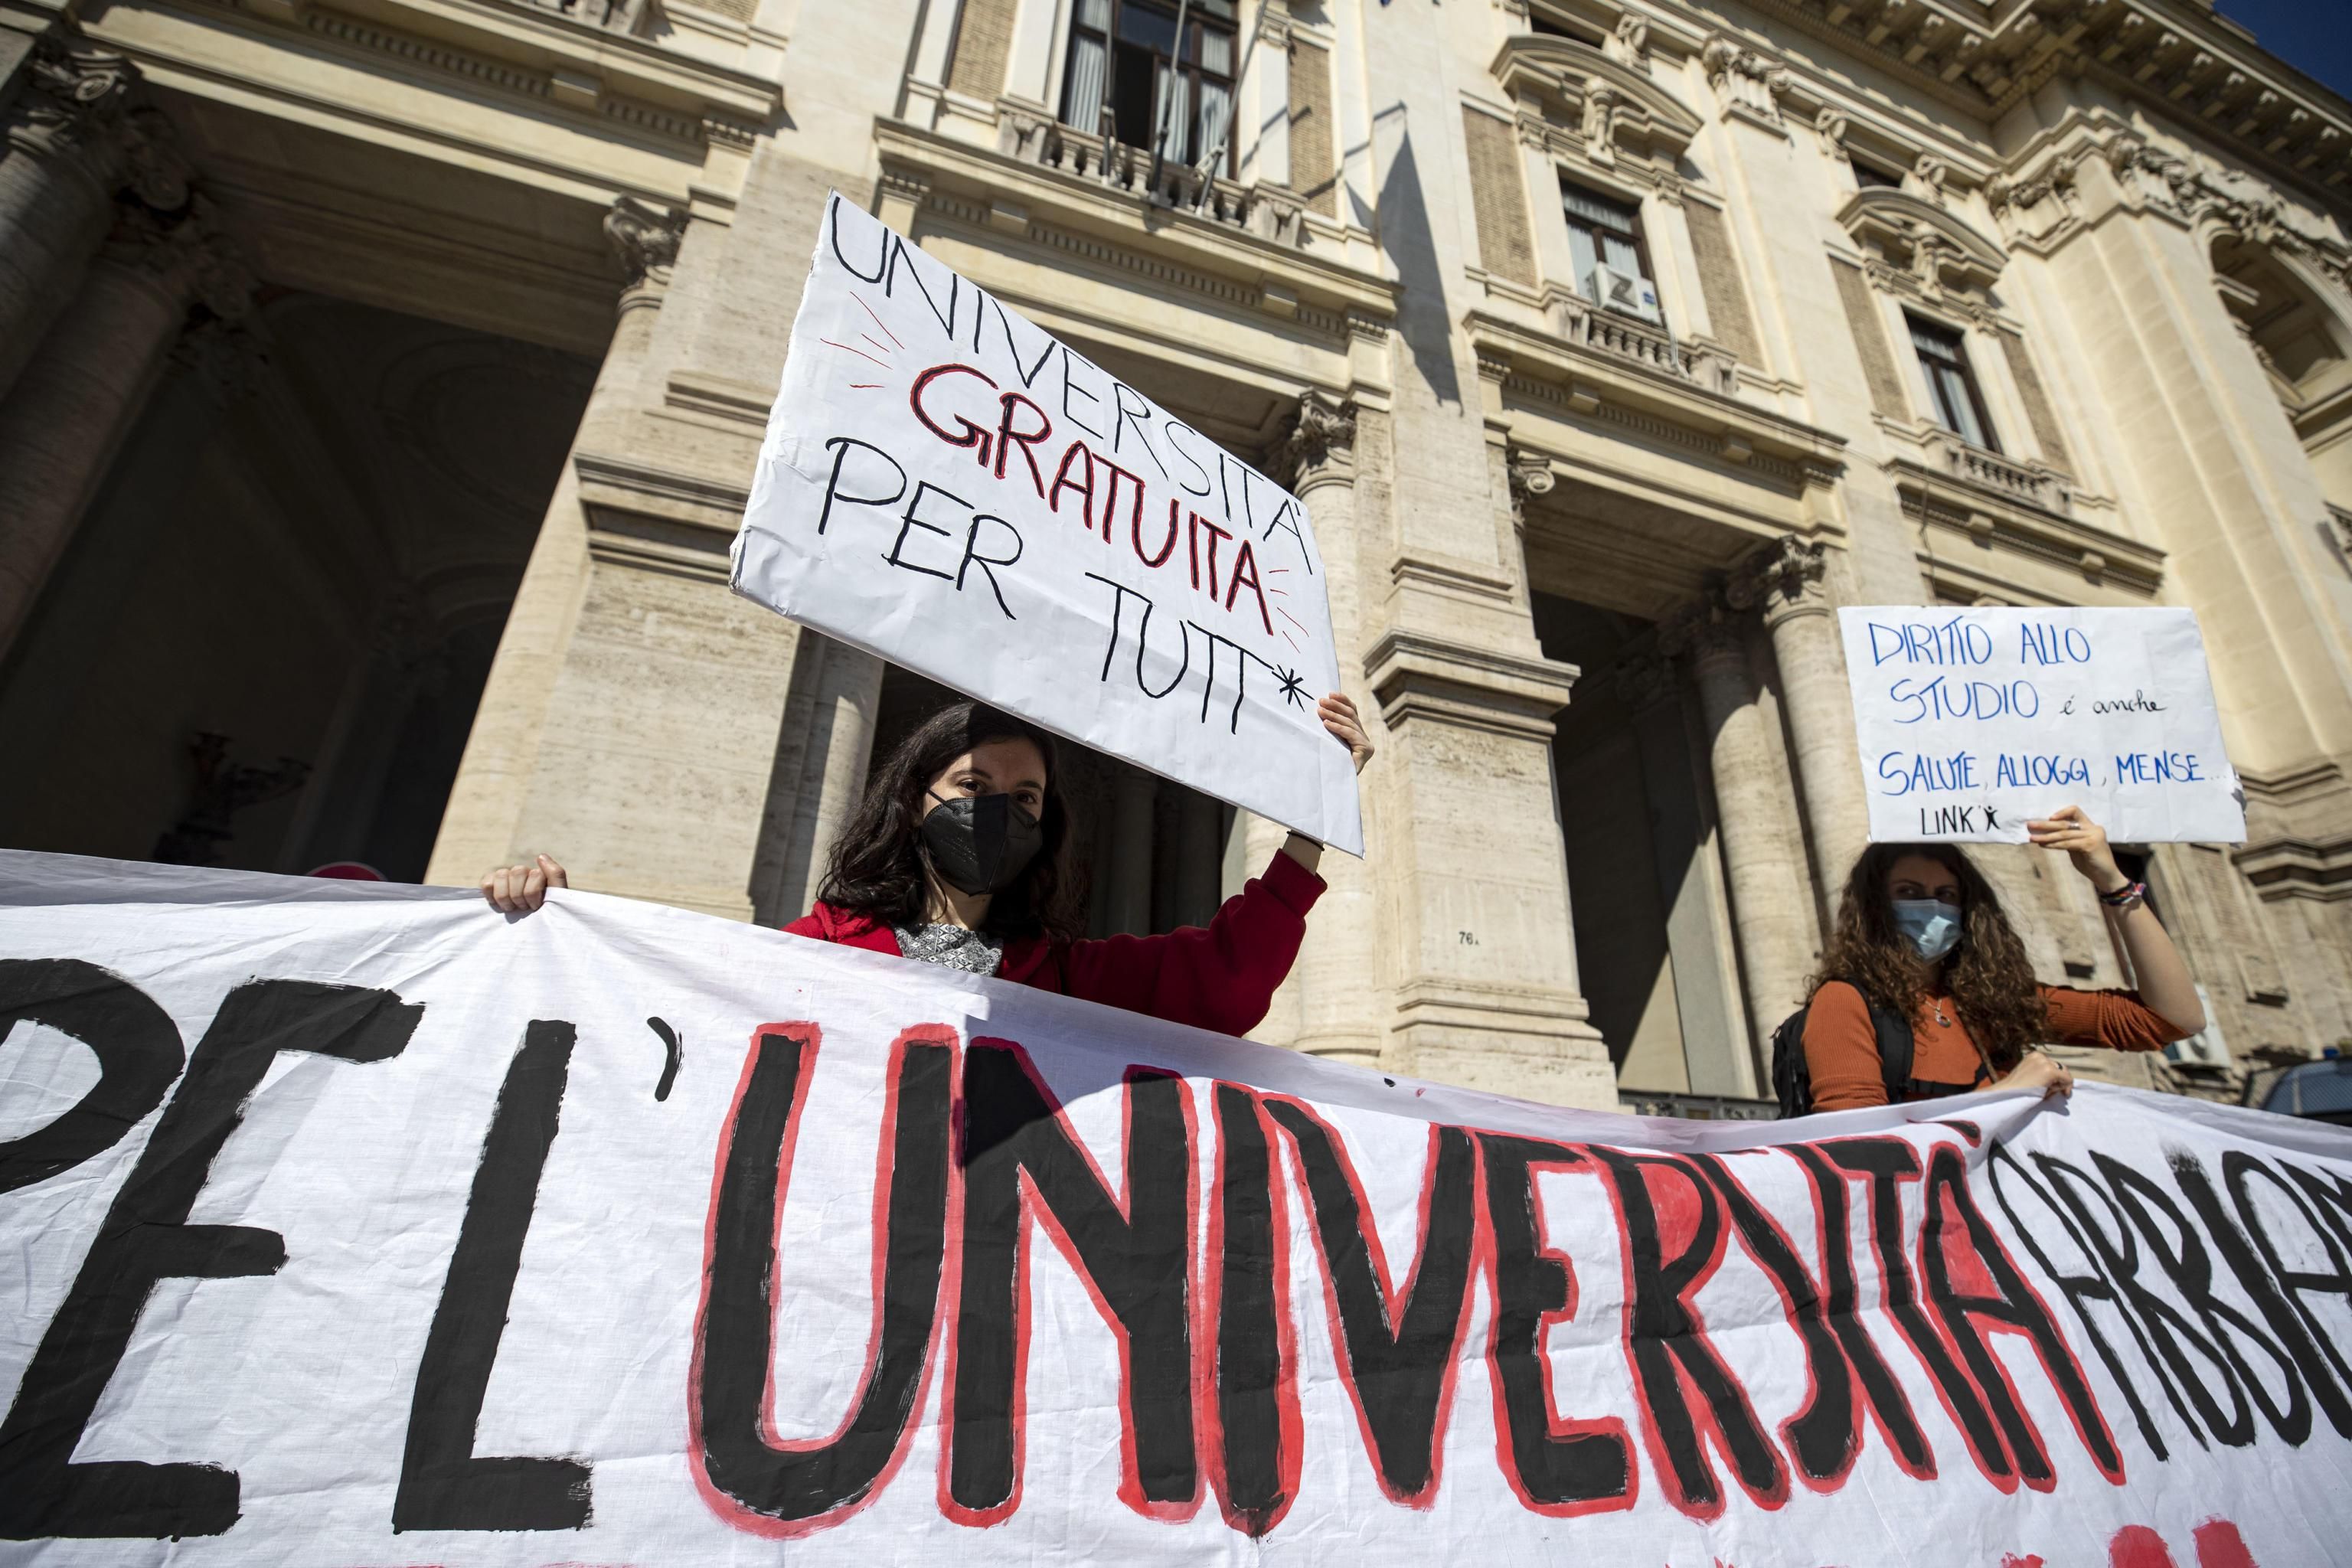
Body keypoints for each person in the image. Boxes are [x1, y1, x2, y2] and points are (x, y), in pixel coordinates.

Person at [482, 692, 1374, 1037]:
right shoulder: (820, 943)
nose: (1000, 811)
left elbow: (1225, 978)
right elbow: (670, 1001)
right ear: (916, 796)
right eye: (975, 783)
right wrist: (553, 923)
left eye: (1024, 800)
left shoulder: (1067, 974)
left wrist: (1307, 827)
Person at [1799, 805, 2207, 1111]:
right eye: (1908, 892)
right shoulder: (1843, 1002)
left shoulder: (1997, 1002)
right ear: (1874, 907)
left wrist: (2113, 882)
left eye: (1946, 895)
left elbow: (2172, 1020)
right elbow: (1857, 1147)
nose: (1930, 907)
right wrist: (2009, 1093)